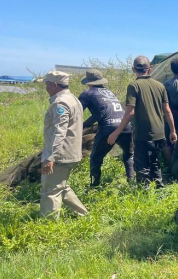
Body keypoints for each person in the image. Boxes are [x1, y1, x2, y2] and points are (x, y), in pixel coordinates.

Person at [108, 55, 177, 188]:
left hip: (143, 133)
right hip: (159, 133)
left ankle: (144, 191)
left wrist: (116, 132)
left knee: (142, 166)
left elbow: (130, 112)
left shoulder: (134, 86)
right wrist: (173, 131)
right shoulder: (160, 86)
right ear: (149, 69)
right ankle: (159, 189)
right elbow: (167, 110)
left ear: (133, 69)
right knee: (155, 162)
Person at [40, 70, 88, 218]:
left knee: (50, 191)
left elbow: (60, 132)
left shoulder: (60, 102)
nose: (46, 88)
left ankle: (48, 224)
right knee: (62, 186)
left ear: (55, 85)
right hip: (71, 152)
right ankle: (83, 215)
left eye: (47, 84)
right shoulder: (73, 99)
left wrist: (51, 157)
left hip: (61, 155)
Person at [78, 69, 134, 187]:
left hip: (108, 127)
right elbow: (99, 113)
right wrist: (85, 125)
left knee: (96, 157)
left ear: (88, 82)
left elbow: (76, 112)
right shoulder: (109, 92)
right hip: (125, 125)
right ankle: (132, 183)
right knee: (129, 155)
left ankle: (94, 185)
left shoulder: (87, 93)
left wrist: (78, 127)